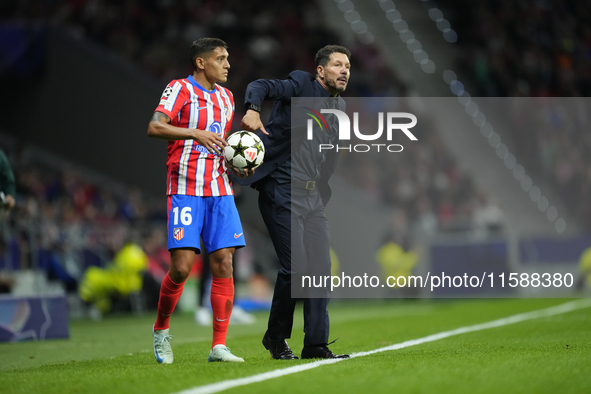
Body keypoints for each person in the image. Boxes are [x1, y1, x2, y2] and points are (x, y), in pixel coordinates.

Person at [238, 45, 351, 360]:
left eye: (348, 66)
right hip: (282, 189)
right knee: (297, 268)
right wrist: (252, 108)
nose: (345, 71)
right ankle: (276, 337)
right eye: (338, 65)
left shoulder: (339, 105)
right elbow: (261, 86)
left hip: (312, 196)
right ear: (320, 70)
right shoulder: (300, 85)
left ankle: (315, 343)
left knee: (320, 269)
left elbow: (328, 153)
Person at [147, 37, 254, 364]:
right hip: (185, 189)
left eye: (226, 58)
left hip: (220, 190)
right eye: (220, 58)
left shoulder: (227, 97)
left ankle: (218, 346)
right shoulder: (178, 89)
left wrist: (239, 166)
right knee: (181, 269)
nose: (227, 65)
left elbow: (220, 145)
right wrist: (193, 133)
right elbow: (154, 127)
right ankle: (161, 330)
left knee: (224, 262)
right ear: (200, 62)